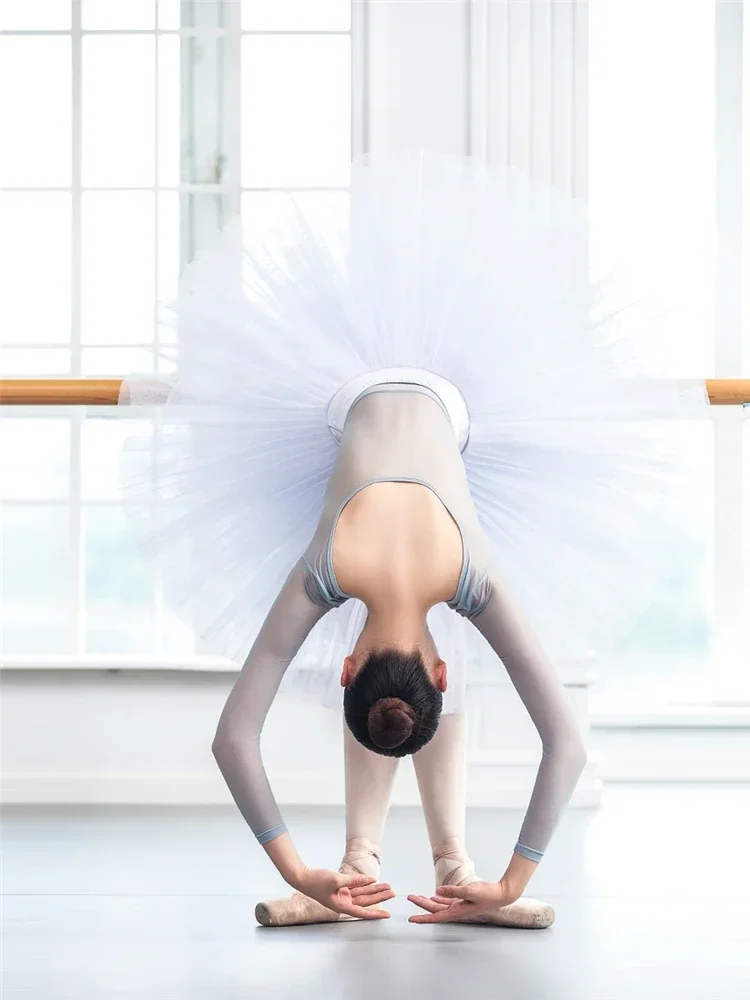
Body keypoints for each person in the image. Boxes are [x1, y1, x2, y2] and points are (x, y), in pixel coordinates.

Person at [119, 153, 708, 927]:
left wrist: (303, 868)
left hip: (403, 398)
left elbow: (564, 741)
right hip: (404, 399)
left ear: (433, 670)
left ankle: (411, 865)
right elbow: (234, 738)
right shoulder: (326, 568)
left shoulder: (474, 577)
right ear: (349, 670)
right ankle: (425, 863)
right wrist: (512, 883)